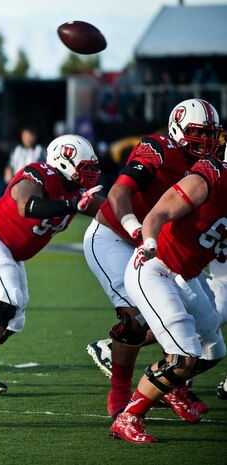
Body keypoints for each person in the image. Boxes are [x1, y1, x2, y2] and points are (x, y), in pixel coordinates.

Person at [83, 98, 222, 421]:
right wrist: (135, 229)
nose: (207, 141)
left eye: (212, 134)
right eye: (199, 132)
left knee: (198, 317)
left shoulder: (210, 166)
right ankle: (120, 394)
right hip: (115, 238)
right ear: (177, 128)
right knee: (135, 320)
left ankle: (175, 385)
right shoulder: (159, 148)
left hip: (159, 244)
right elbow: (119, 193)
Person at [0, 134, 103, 392]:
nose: (90, 174)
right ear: (64, 161)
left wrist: (140, 224)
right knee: (5, 301)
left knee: (13, 320)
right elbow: (27, 206)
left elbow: (111, 211)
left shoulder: (76, 191)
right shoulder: (37, 173)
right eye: (85, 168)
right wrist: (72, 206)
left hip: (11, 249)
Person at [110, 156, 227, 443]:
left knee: (214, 349)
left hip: (185, 276)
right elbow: (157, 213)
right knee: (182, 357)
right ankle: (129, 417)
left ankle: (174, 388)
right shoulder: (210, 178)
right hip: (155, 267)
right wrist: (149, 241)